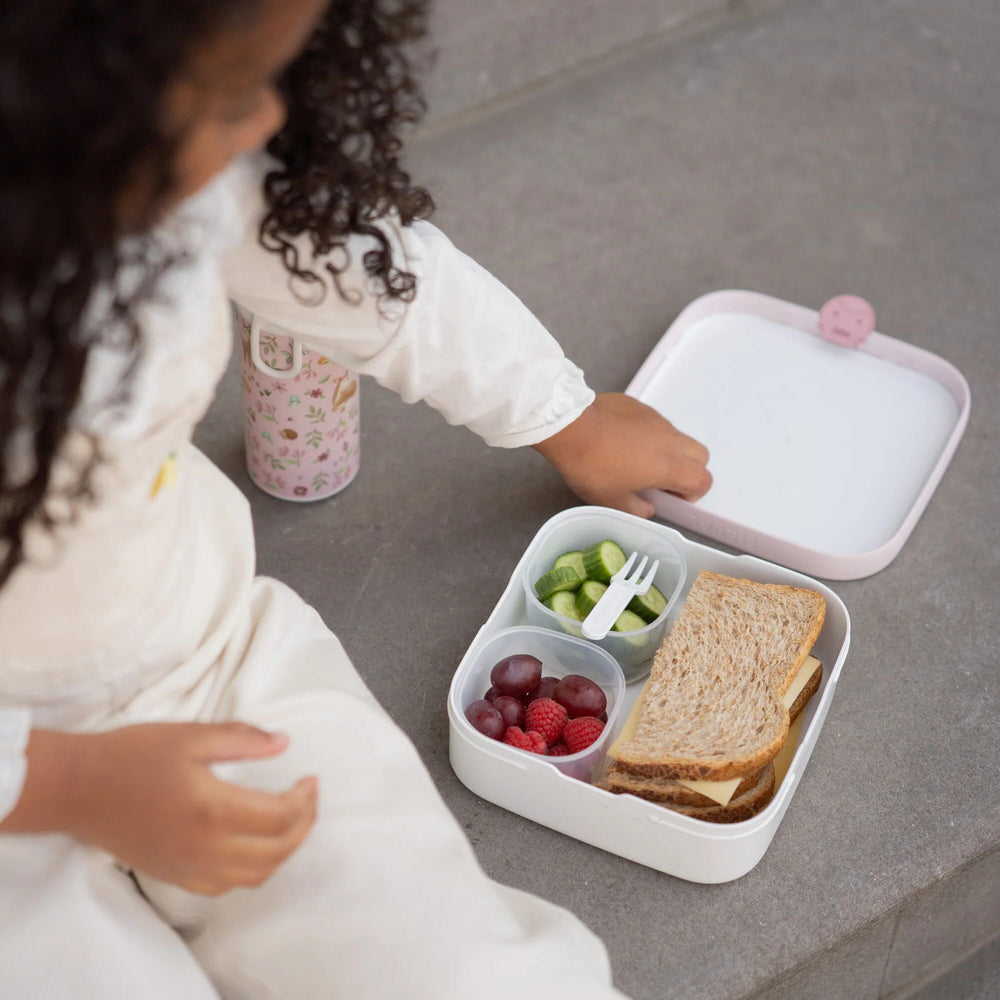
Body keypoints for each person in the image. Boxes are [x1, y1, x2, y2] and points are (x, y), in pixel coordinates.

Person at [0, 1, 711, 997]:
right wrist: (64, 782)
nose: (264, 123)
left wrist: (565, 416)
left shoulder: (180, 173)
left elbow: (353, 259)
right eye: (231, 94)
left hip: (196, 657)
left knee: (466, 975)